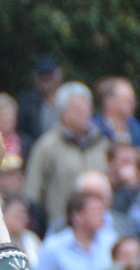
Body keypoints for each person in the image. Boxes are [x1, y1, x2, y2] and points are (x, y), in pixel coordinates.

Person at [26, 83, 111, 231]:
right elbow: (32, 191)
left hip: (100, 226)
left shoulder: (102, 144)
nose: (84, 113)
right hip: (61, 226)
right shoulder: (48, 145)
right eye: (77, 109)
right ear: (62, 113)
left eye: (87, 108)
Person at [34, 189, 116, 270]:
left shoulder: (111, 242)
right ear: (77, 216)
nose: (102, 216)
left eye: (102, 211)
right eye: (95, 211)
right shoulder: (54, 247)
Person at [92, 76, 140, 150]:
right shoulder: (94, 128)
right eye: (126, 100)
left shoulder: (137, 128)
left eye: (132, 100)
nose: (132, 104)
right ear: (108, 101)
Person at [17, 55, 63, 141]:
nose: (46, 81)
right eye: (42, 78)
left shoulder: (69, 98)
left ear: (59, 76)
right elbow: (21, 133)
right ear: (35, 79)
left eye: (50, 76)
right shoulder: (26, 103)